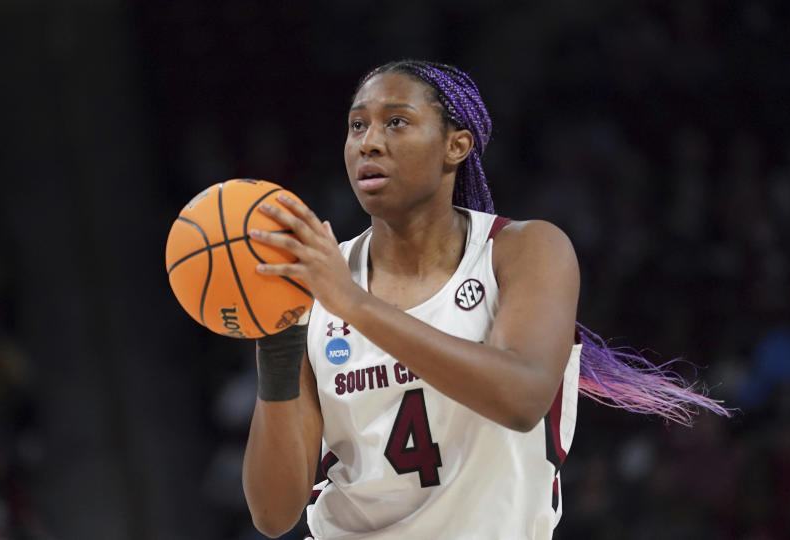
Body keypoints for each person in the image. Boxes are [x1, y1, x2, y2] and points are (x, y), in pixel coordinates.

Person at [241, 60, 730, 539]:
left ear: (456, 145)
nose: (368, 142)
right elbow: (273, 514)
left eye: (396, 122)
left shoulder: (524, 251)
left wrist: (355, 305)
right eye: (356, 125)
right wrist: (277, 354)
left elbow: (521, 397)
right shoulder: (318, 284)